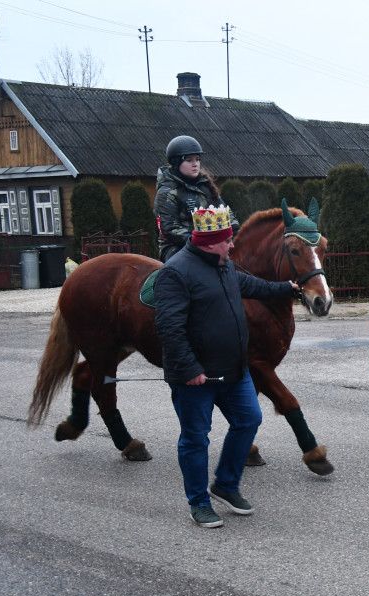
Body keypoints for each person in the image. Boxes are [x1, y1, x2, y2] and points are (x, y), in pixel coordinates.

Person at [154, 206, 299, 528]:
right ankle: (199, 503)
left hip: (234, 370)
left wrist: (286, 288)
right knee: (195, 439)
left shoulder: (224, 266)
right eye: (227, 241)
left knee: (249, 419)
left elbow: (252, 287)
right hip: (195, 377)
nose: (232, 245)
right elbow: (169, 328)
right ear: (209, 243)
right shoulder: (175, 273)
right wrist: (190, 368)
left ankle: (226, 484)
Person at [154, 135, 239, 263]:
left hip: (212, 244)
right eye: (189, 160)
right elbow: (170, 229)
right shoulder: (167, 192)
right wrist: (203, 241)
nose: (195, 164)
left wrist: (234, 232)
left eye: (198, 159)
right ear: (176, 163)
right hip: (177, 248)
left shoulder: (206, 186)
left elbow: (225, 214)